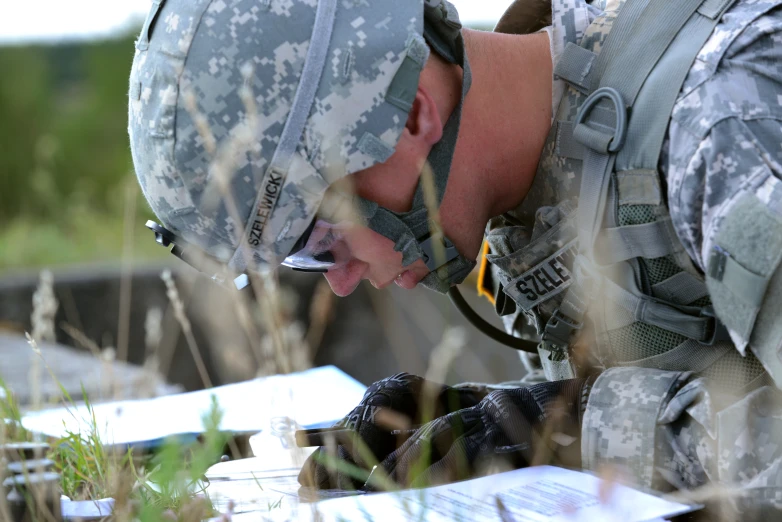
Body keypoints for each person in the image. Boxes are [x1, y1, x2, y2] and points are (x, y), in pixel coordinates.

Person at [128, 0, 782, 514]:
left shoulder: (727, 116)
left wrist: (577, 433)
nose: (350, 280)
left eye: (323, 238)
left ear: (410, 117)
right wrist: (484, 417)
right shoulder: (537, 180)